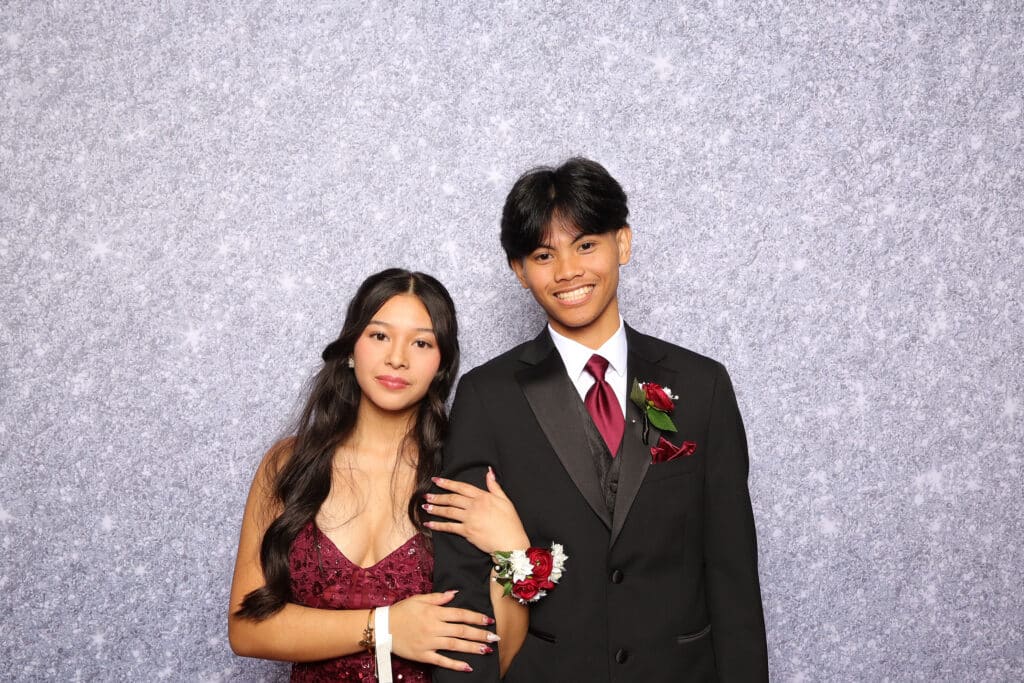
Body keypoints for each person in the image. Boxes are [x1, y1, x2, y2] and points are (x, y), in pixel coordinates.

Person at [430, 158, 769, 681]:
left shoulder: (703, 386)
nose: (567, 271)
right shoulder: (485, 396)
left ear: (623, 244)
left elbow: (732, 575)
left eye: (586, 245)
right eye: (544, 255)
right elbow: (462, 584)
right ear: (519, 271)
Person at [228, 268, 529, 682]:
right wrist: (385, 628)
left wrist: (513, 552)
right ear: (352, 345)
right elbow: (246, 629)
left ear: (442, 364)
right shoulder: (289, 463)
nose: (397, 358)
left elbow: (498, 657)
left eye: (421, 342)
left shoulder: (460, 476)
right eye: (380, 335)